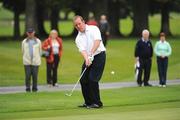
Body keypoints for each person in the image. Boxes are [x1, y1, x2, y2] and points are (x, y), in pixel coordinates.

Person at [73, 15, 106, 108]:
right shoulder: (78, 38)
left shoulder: (93, 29)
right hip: (89, 57)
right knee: (83, 79)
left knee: (92, 79)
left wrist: (91, 53)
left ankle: (97, 103)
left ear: (83, 21)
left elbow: (97, 41)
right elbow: (83, 50)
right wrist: (87, 58)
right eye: (76, 25)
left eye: (79, 23)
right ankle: (88, 102)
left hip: (99, 55)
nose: (78, 26)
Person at [22, 28, 41, 92]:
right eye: (29, 33)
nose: (30, 34)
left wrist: (37, 58)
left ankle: (34, 88)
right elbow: (23, 51)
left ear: (34, 33)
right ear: (27, 33)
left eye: (31, 33)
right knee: (27, 75)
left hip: (35, 61)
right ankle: (27, 88)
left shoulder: (38, 41)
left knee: (35, 75)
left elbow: (40, 51)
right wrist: (25, 58)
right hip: (27, 61)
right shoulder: (24, 41)